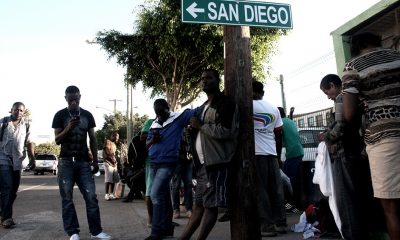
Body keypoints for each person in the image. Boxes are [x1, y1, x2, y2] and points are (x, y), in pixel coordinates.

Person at [342, 32, 400, 239]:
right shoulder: (397, 57)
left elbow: (348, 114)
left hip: (384, 138)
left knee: (391, 209)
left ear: (356, 47)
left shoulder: (353, 66)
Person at [180, 68, 239, 240]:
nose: (204, 81)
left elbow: (227, 131)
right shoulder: (202, 107)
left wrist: (200, 126)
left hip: (217, 164)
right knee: (199, 205)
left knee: (210, 206)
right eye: (202, 78)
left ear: (217, 80)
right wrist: (191, 130)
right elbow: (196, 130)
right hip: (201, 165)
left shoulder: (226, 103)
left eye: (209, 78)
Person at [52, 85, 111, 240]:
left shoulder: (87, 115)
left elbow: (92, 139)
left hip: (84, 162)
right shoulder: (60, 115)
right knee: (67, 198)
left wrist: (96, 163)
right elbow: (57, 140)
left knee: (91, 197)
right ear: (66, 98)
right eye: (70, 98)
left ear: (80, 97)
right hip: (66, 162)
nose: (73, 100)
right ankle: (73, 232)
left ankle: (96, 231)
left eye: (76, 97)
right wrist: (69, 128)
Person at [319, 74, 373, 239]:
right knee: (356, 197)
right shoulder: (353, 98)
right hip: (355, 152)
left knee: (345, 200)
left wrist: (325, 136)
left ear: (333, 85)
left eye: (327, 92)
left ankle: (353, 236)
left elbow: (340, 127)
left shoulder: (342, 98)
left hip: (344, 154)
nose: (328, 97)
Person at [145, 99, 197, 240]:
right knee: (164, 196)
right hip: (154, 163)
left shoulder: (178, 118)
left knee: (155, 195)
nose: (160, 117)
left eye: (162, 113)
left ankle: (156, 232)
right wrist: (153, 140)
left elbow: (195, 112)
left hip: (168, 163)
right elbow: (146, 144)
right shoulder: (155, 123)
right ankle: (167, 229)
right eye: (158, 114)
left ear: (168, 108)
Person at [252, 80, 287, 237]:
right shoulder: (273, 108)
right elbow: (279, 134)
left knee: (262, 191)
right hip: (272, 154)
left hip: (256, 154)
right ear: (263, 93)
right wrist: (278, 156)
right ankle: (281, 223)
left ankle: (267, 226)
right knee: (276, 190)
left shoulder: (246, 106)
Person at [0, 102, 36, 228]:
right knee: (7, 188)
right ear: (11, 110)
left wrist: (32, 158)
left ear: (23, 112)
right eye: (16, 110)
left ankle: (2, 211)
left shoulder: (26, 124)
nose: (18, 112)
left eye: (21, 110)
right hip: (3, 158)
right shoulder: (3, 122)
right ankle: (6, 218)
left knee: (13, 191)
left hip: (18, 160)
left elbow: (30, 142)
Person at [278, 107, 304, 210]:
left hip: (293, 153)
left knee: (288, 179)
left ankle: (291, 203)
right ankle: (293, 202)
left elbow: (279, 140)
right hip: (298, 151)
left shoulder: (281, 123)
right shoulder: (289, 121)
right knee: (290, 177)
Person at [171, 127, 193, 219]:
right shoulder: (176, 129)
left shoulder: (191, 130)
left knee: (188, 184)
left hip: (188, 160)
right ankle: (176, 209)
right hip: (177, 160)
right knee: (176, 185)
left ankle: (189, 208)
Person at [103, 131, 120, 201]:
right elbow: (107, 150)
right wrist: (113, 158)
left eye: (118, 137)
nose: (117, 139)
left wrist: (116, 160)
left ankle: (111, 194)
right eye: (116, 137)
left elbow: (114, 153)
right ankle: (106, 194)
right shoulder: (107, 141)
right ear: (112, 136)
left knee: (113, 180)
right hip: (108, 163)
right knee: (108, 179)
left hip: (114, 164)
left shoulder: (114, 144)